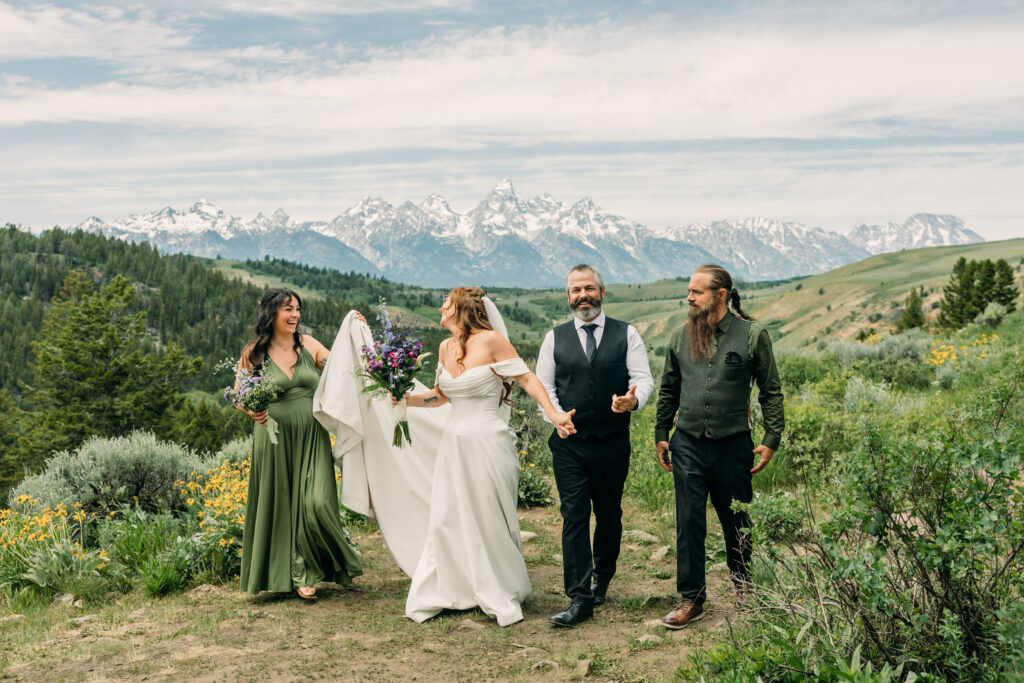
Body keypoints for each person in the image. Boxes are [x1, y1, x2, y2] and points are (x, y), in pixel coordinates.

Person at [399, 286, 577, 627]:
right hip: (454, 446)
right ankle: (455, 587)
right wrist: (405, 400)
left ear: (461, 308)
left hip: (488, 442)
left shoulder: (492, 340)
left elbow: (526, 378)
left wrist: (554, 414)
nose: (440, 307)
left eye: (446, 303)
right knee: (447, 517)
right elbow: (440, 396)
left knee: (488, 517)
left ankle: (498, 587)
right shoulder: (445, 347)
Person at [654, 264, 784, 629]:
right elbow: (668, 389)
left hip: (734, 444)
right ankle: (690, 599)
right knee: (689, 521)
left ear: (721, 295)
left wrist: (771, 438)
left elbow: (770, 390)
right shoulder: (680, 336)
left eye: (696, 292)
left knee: (737, 518)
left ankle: (744, 586)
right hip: (688, 443)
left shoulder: (752, 335)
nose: (689, 298)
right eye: (689, 292)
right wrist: (661, 433)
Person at [535, 264, 654, 627]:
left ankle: (603, 576)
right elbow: (544, 386)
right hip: (568, 444)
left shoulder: (627, 333)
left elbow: (643, 378)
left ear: (602, 292)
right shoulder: (554, 338)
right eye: (575, 290)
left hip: (612, 442)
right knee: (573, 516)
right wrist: (555, 417)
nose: (582, 295)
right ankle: (579, 596)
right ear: (568, 297)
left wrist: (633, 401)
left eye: (588, 288)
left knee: (608, 513)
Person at [237, 288, 363, 600]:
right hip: (274, 437)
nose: (295, 315)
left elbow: (344, 368)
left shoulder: (308, 345)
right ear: (271, 314)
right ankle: (299, 574)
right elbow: (239, 394)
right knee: (281, 507)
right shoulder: (254, 353)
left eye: (297, 309)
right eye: (288, 309)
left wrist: (355, 331)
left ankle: (317, 564)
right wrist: (251, 410)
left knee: (316, 502)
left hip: (312, 434)